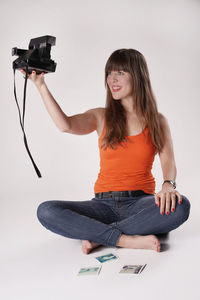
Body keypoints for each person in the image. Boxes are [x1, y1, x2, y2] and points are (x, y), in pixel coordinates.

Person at [20, 48, 191, 254]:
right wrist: (40, 85)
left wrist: (167, 186)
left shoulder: (157, 121)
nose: (112, 79)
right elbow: (65, 125)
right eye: (109, 73)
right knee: (46, 211)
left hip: (139, 204)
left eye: (120, 72)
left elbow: (168, 162)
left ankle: (101, 236)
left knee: (181, 206)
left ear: (138, 76)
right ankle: (125, 239)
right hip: (101, 205)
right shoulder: (101, 116)